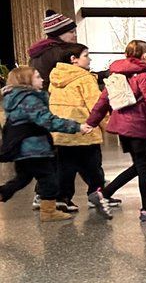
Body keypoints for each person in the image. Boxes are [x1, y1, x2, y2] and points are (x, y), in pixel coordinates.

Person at [84, 39, 146, 221]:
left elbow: (103, 101)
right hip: (138, 127)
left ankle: (104, 194)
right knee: (143, 168)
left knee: (139, 167)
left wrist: (91, 122)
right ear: (145, 56)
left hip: (122, 128)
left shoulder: (116, 73)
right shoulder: (145, 75)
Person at [1, 64, 90, 221]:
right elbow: (47, 120)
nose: (42, 79)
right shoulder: (29, 99)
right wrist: (76, 126)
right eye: (37, 76)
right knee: (49, 179)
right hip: (35, 148)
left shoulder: (14, 98)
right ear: (26, 80)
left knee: (22, 178)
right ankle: (48, 212)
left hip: (23, 148)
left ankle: (2, 193)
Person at [48, 43, 115, 218]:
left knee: (65, 167)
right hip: (84, 130)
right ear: (74, 59)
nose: (90, 58)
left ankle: (63, 198)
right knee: (93, 166)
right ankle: (99, 194)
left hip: (61, 131)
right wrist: (109, 125)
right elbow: (96, 105)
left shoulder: (55, 77)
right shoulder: (85, 78)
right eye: (86, 55)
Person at [26, 10, 79, 90]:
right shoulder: (60, 51)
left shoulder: (40, 50)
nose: (75, 35)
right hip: (55, 96)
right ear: (58, 33)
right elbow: (76, 77)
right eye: (71, 32)